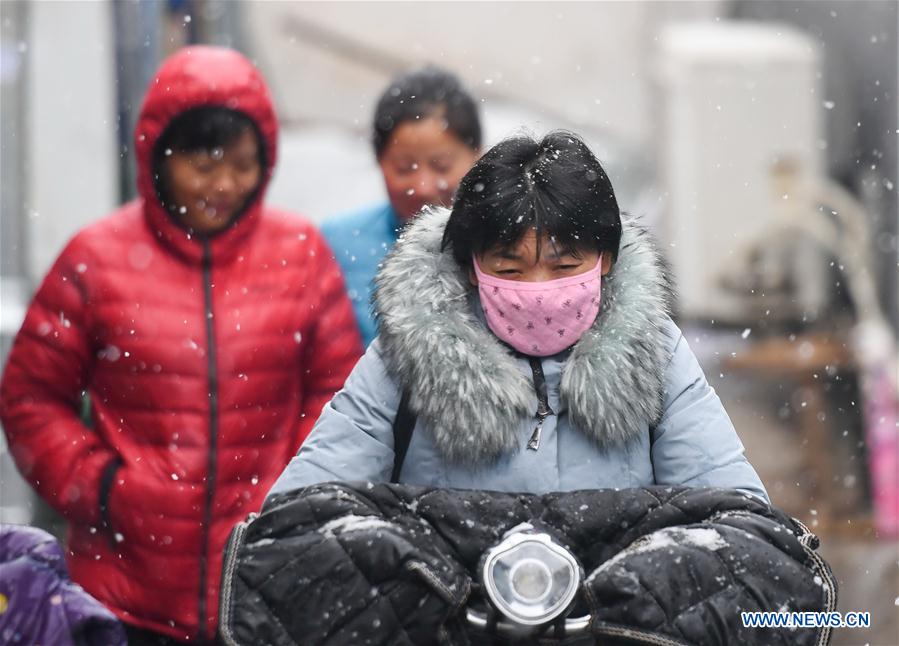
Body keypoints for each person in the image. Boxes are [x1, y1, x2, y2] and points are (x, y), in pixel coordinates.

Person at [0, 46, 363, 644]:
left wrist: (295, 493)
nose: (224, 185)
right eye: (203, 163)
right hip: (122, 593)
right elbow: (30, 398)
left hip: (267, 580)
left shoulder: (301, 254)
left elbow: (340, 396)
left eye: (243, 165)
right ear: (156, 155)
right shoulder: (96, 259)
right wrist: (102, 488)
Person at [269, 131, 769, 503]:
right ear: (470, 267)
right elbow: (311, 507)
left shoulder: (655, 352)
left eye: (565, 266)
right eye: (508, 267)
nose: (537, 290)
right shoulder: (405, 354)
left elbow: (729, 510)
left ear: (606, 261)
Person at [321, 66, 482, 346]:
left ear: (477, 156)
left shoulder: (503, 243)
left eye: (441, 166)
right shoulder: (336, 245)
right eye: (405, 167)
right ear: (379, 161)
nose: (423, 187)